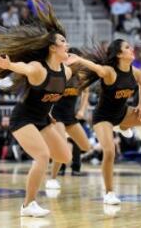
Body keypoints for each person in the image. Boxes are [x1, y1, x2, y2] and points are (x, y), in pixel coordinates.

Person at [0, 0, 72, 217]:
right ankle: (27, 205)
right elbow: (22, 67)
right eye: (63, 41)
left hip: (43, 119)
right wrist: (9, 66)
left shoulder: (67, 71)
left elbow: (55, 92)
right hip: (23, 118)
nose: (67, 44)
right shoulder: (38, 68)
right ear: (52, 47)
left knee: (65, 157)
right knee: (43, 156)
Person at [68, 39, 141, 204]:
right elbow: (96, 68)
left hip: (122, 114)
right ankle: (109, 193)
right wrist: (78, 59)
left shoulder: (134, 72)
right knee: (110, 151)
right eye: (127, 47)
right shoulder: (110, 72)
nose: (132, 49)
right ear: (119, 54)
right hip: (103, 118)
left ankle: (123, 126)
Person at [46, 47, 91, 190]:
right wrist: (47, 113)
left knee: (86, 146)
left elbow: (86, 91)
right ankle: (52, 179)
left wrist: (82, 109)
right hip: (57, 115)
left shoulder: (80, 75)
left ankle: (51, 151)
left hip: (70, 116)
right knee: (62, 147)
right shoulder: (61, 73)